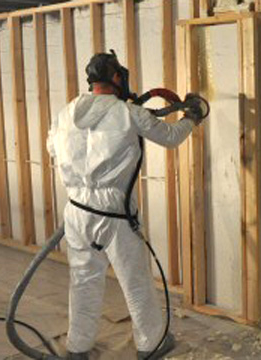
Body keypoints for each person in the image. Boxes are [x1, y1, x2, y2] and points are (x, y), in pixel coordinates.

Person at [47, 51, 205, 360]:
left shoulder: (66, 112)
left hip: (77, 209)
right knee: (134, 279)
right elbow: (171, 137)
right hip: (114, 213)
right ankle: (151, 343)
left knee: (83, 280)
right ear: (117, 78)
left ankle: (78, 347)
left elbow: (52, 147)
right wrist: (192, 117)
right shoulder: (128, 113)